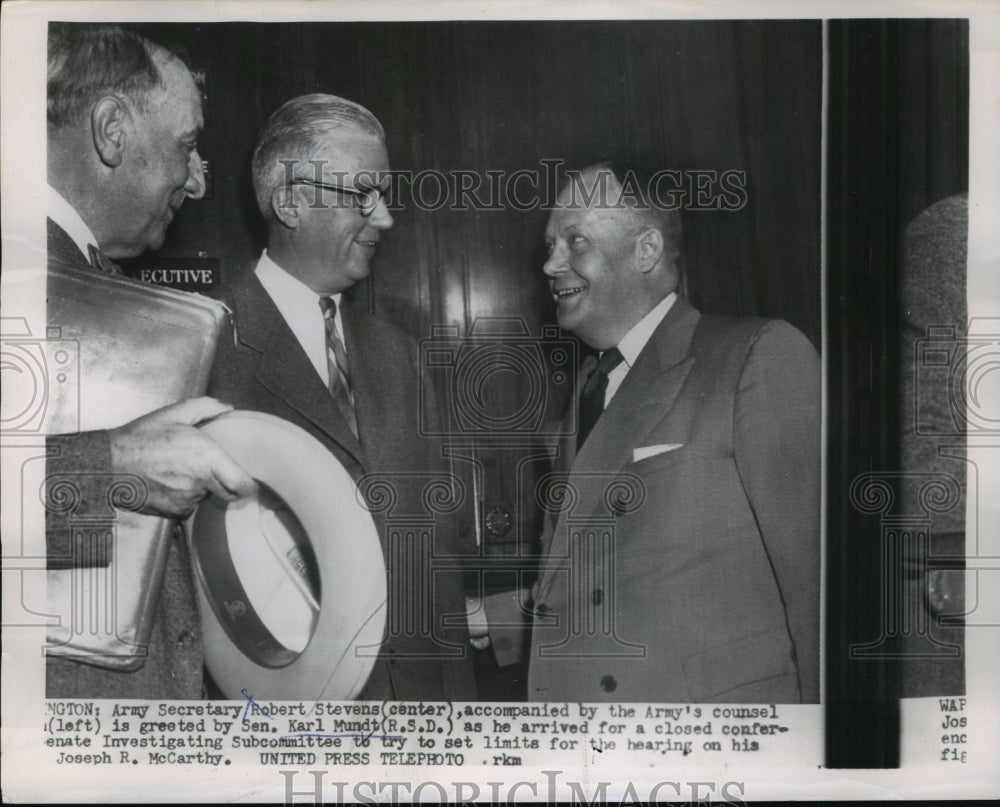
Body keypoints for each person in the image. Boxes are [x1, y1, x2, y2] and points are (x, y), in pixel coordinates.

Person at [208, 94, 477, 700]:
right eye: (362, 195)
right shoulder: (202, 345)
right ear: (290, 202)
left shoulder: (400, 354)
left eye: (384, 196)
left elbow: (436, 567)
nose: (384, 219)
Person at [527, 163, 820, 702]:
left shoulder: (757, 356)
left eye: (576, 241)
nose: (551, 263)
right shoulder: (592, 386)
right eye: (551, 244)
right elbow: (600, 574)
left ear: (646, 250)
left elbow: (820, 589)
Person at [45, 24, 255, 698]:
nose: (194, 182)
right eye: (186, 147)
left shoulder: (85, 273)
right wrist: (119, 466)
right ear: (111, 131)